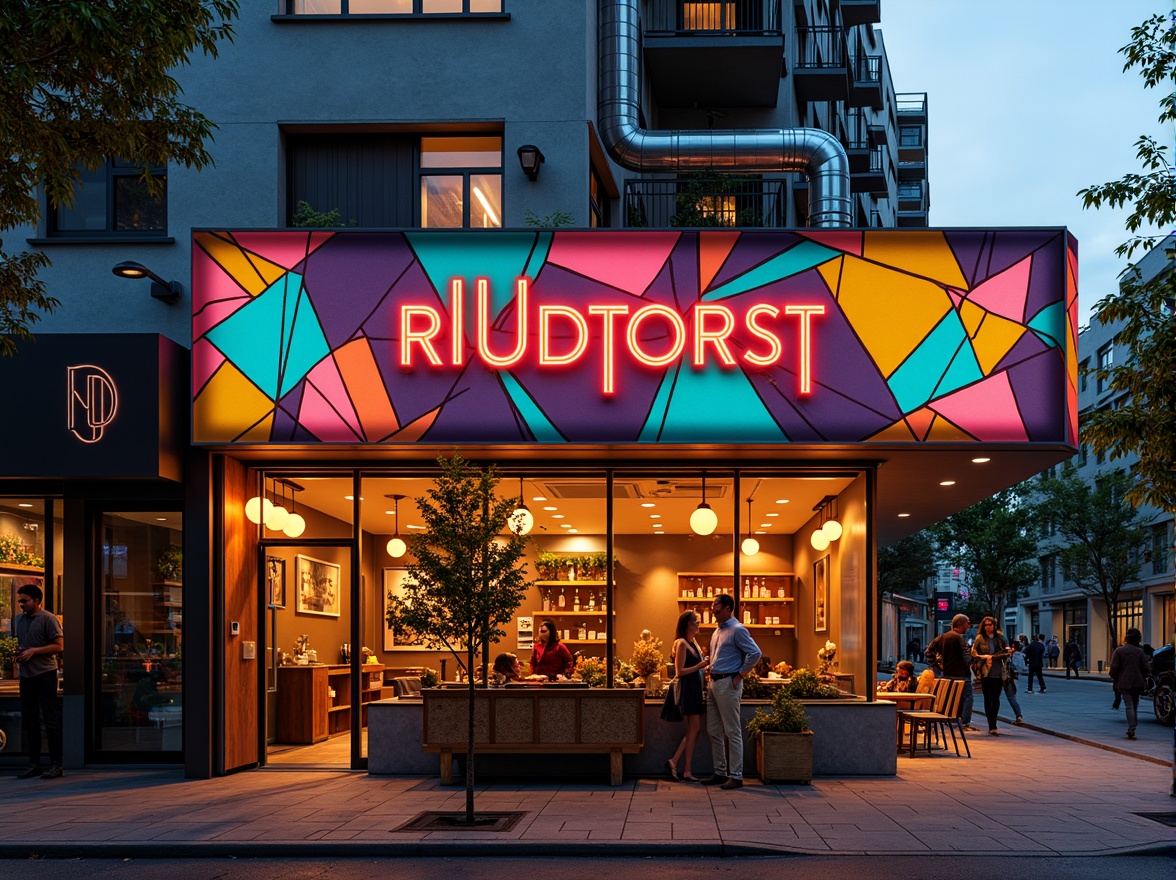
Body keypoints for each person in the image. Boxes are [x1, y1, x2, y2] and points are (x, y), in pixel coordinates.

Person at [700, 594, 761, 790]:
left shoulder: (737, 629)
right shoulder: (717, 631)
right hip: (714, 683)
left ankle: (736, 775)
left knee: (732, 730)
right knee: (713, 730)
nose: (712, 608)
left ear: (727, 607)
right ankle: (720, 772)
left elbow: (755, 653)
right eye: (712, 605)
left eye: (716, 605)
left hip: (728, 683)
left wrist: (740, 674)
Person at [12, 582, 64, 780]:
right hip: (26, 675)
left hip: (44, 674)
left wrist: (34, 651)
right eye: (20, 601)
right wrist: (20, 653)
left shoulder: (48, 619)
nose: (21, 604)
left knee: (50, 720)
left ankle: (56, 764)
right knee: (30, 721)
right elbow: (24, 644)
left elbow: (59, 646)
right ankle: (34, 764)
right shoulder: (20, 620)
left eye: (25, 601)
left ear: (36, 601)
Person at [664, 611, 710, 782]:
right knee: (694, 728)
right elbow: (679, 671)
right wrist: (700, 665)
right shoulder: (681, 643)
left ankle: (678, 765)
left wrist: (704, 667)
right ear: (686, 625)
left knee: (694, 729)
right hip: (688, 690)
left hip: (695, 689)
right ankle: (683, 768)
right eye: (695, 622)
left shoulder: (693, 642)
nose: (698, 624)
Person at [924, 613, 975, 730]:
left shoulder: (942, 637)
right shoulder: (959, 638)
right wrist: (972, 659)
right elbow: (966, 658)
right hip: (961, 674)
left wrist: (936, 665)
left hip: (946, 673)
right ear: (960, 624)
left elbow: (929, 651)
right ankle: (965, 721)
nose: (969, 626)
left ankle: (952, 718)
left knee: (951, 697)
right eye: (967, 623)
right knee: (967, 697)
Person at [971, 616, 1011, 735]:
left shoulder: (1000, 638)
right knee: (988, 698)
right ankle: (991, 724)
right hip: (985, 671)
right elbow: (974, 653)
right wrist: (985, 657)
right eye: (986, 625)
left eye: (990, 624)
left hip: (998, 671)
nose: (988, 627)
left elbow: (1006, 651)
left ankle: (993, 720)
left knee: (996, 698)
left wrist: (1006, 653)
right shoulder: (980, 638)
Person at [1109, 627, 1149, 740]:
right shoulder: (1140, 652)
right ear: (1138, 639)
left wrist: (1115, 678)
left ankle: (1131, 728)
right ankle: (1133, 727)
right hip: (1138, 682)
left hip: (1124, 682)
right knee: (1135, 705)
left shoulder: (1119, 651)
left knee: (1129, 705)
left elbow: (1113, 669)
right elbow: (1145, 668)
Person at [1005, 642, 1026, 725]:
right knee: (1011, 697)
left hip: (1009, 678)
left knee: (1011, 696)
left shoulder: (1014, 656)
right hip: (1014, 677)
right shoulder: (1020, 655)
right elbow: (1022, 667)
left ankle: (1018, 715)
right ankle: (1018, 715)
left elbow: (1014, 667)